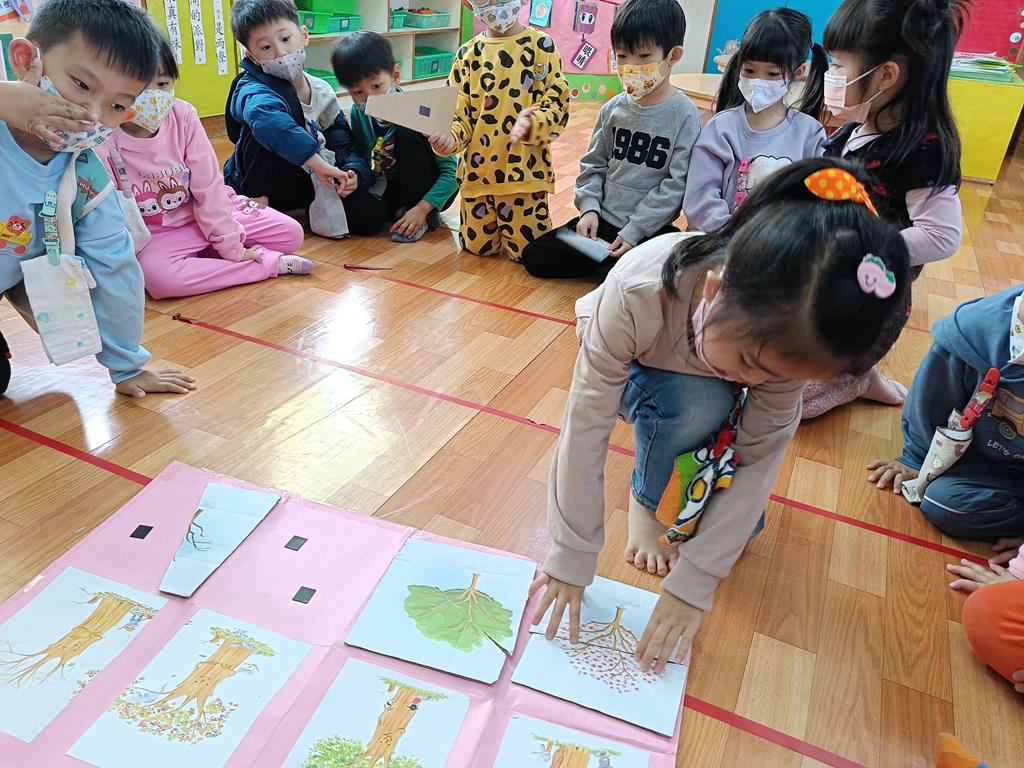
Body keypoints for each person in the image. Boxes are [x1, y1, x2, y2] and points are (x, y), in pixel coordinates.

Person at [530, 158, 911, 671]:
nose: (759, 381)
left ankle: (683, 453)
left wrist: (695, 583)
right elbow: (585, 423)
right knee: (700, 403)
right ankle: (645, 501)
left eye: (777, 374)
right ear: (714, 290)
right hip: (637, 361)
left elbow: (758, 458)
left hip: (705, 357)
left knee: (741, 528)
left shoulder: (784, 335)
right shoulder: (640, 289)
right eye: (752, 362)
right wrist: (572, 553)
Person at [0, 0, 195, 398]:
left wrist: (127, 367)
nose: (91, 113)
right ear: (24, 60)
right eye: (82, 85)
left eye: (117, 105)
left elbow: (115, 271)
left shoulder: (87, 180)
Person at [802, 0, 967, 418]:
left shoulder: (922, 149)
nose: (829, 75)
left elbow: (941, 236)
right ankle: (857, 374)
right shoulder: (855, 128)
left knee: (790, 404)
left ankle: (855, 378)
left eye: (838, 65)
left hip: (865, 304)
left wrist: (861, 246)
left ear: (886, 76)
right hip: (824, 280)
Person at [95, 38, 311, 300]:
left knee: (290, 234)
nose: (153, 97)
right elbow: (110, 218)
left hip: (214, 212)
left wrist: (230, 246)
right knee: (160, 279)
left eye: (163, 84)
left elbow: (208, 188)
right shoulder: (102, 137)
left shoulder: (183, 115)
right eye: (140, 88)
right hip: (160, 234)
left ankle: (209, 255)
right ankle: (266, 264)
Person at [520, 0, 698, 280]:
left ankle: (614, 266)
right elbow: (593, 165)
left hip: (648, 230)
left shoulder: (684, 115)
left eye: (643, 56)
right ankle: (613, 267)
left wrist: (635, 231)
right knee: (535, 256)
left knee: (671, 267)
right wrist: (589, 210)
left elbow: (675, 186)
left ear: (673, 56)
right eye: (622, 56)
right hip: (601, 222)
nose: (630, 66)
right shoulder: (612, 109)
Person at [867, 287, 1024, 540]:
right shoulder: (974, 329)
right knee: (943, 502)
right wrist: (917, 457)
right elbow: (932, 395)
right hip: (986, 466)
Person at [428, 0, 570, 262]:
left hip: (524, 177)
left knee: (531, 253)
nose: (494, 3)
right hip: (478, 178)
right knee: (476, 248)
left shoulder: (541, 46)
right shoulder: (467, 54)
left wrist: (535, 123)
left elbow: (556, 103)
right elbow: (457, 114)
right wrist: (449, 139)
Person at [223, 0, 379, 234]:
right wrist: (317, 162)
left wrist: (352, 173)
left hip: (310, 181)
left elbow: (341, 142)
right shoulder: (250, 87)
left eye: (285, 38)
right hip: (265, 183)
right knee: (265, 131)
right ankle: (257, 209)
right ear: (252, 57)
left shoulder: (322, 90)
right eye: (266, 47)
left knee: (372, 215)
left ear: (304, 35)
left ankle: (298, 211)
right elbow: (265, 119)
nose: (281, 52)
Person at [682, 8, 827, 232]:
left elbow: (815, 207)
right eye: (749, 71)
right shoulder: (721, 129)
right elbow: (701, 202)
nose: (758, 81)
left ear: (797, 73)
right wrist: (734, 238)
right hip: (719, 241)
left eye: (772, 74)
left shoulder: (810, 134)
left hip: (781, 246)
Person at [330, 31, 458, 244]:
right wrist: (355, 176)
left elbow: (452, 173)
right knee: (364, 216)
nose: (369, 98)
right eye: (358, 92)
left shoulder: (419, 110)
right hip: (391, 185)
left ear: (395, 76)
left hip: (431, 188)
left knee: (406, 133)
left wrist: (422, 208)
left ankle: (421, 214)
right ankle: (402, 211)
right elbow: (362, 158)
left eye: (376, 86)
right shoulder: (359, 113)